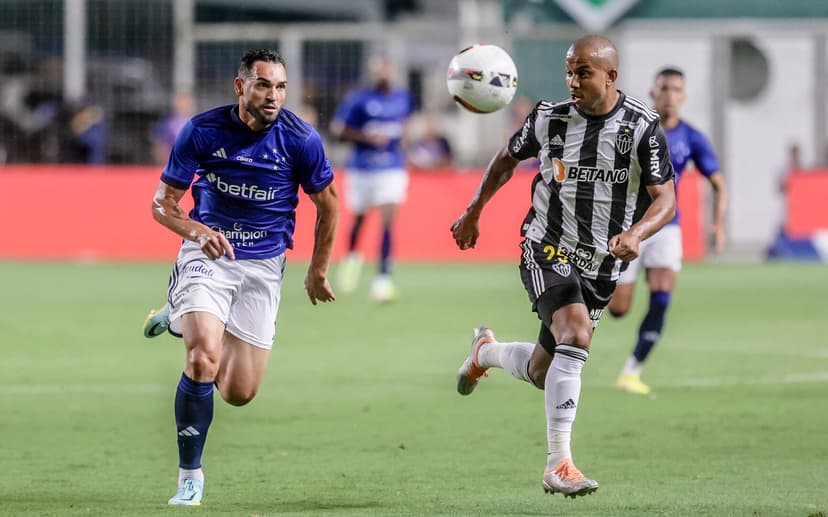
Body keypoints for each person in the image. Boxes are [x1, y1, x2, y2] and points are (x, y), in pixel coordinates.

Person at [451, 35, 676, 497]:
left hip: (602, 262)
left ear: (611, 76)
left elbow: (666, 199)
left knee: (541, 371)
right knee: (576, 333)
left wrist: (636, 234)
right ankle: (559, 465)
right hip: (547, 245)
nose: (573, 81)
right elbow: (504, 161)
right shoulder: (549, 119)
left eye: (583, 73)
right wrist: (474, 211)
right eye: (569, 71)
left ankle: (485, 354)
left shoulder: (641, 127)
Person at [143, 49, 338, 506]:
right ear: (241, 86)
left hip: (263, 267)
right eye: (264, 85)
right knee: (202, 361)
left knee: (237, 392)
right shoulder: (202, 130)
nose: (274, 96)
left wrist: (318, 269)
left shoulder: (301, 139)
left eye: (281, 87)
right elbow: (161, 205)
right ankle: (190, 476)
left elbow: (328, 206)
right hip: (206, 255)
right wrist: (197, 230)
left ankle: (179, 315)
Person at [610, 67, 728, 395]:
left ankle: (631, 372)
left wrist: (718, 224)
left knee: (661, 299)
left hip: (666, 227)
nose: (670, 96)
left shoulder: (691, 137)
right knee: (619, 309)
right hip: (630, 227)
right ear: (653, 93)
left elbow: (719, 183)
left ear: (684, 96)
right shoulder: (634, 130)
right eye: (664, 88)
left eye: (677, 90)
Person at [330, 55, 415, 302]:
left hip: (391, 168)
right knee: (359, 219)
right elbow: (338, 130)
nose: (383, 75)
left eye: (386, 70)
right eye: (378, 71)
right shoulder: (358, 99)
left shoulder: (403, 98)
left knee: (388, 220)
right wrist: (368, 138)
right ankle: (352, 258)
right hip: (362, 168)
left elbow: (404, 125)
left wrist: (407, 147)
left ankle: (383, 279)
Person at [152, 90, 196, 165]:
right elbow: (159, 147)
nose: (183, 105)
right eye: (180, 101)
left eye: (185, 101)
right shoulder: (167, 124)